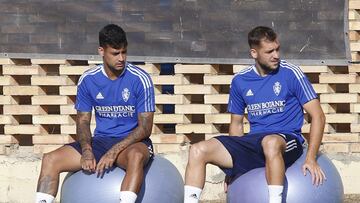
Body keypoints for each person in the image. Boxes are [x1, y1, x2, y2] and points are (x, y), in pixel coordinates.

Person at [184, 26, 326, 203]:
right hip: (255, 142)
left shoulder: (291, 73)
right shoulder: (240, 80)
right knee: (198, 150)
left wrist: (311, 158)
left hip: (287, 140)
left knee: (270, 142)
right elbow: (236, 124)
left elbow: (318, 116)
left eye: (277, 49)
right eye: (269, 51)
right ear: (254, 53)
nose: (276, 55)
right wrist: (234, 169)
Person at [35, 24, 155, 203]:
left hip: (133, 143)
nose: (121, 58)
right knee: (50, 159)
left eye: (124, 52)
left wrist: (114, 151)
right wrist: (86, 150)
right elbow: (82, 121)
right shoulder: (88, 79)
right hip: (100, 141)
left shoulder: (140, 79)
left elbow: (145, 128)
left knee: (136, 157)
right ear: (101, 51)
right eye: (115, 53)